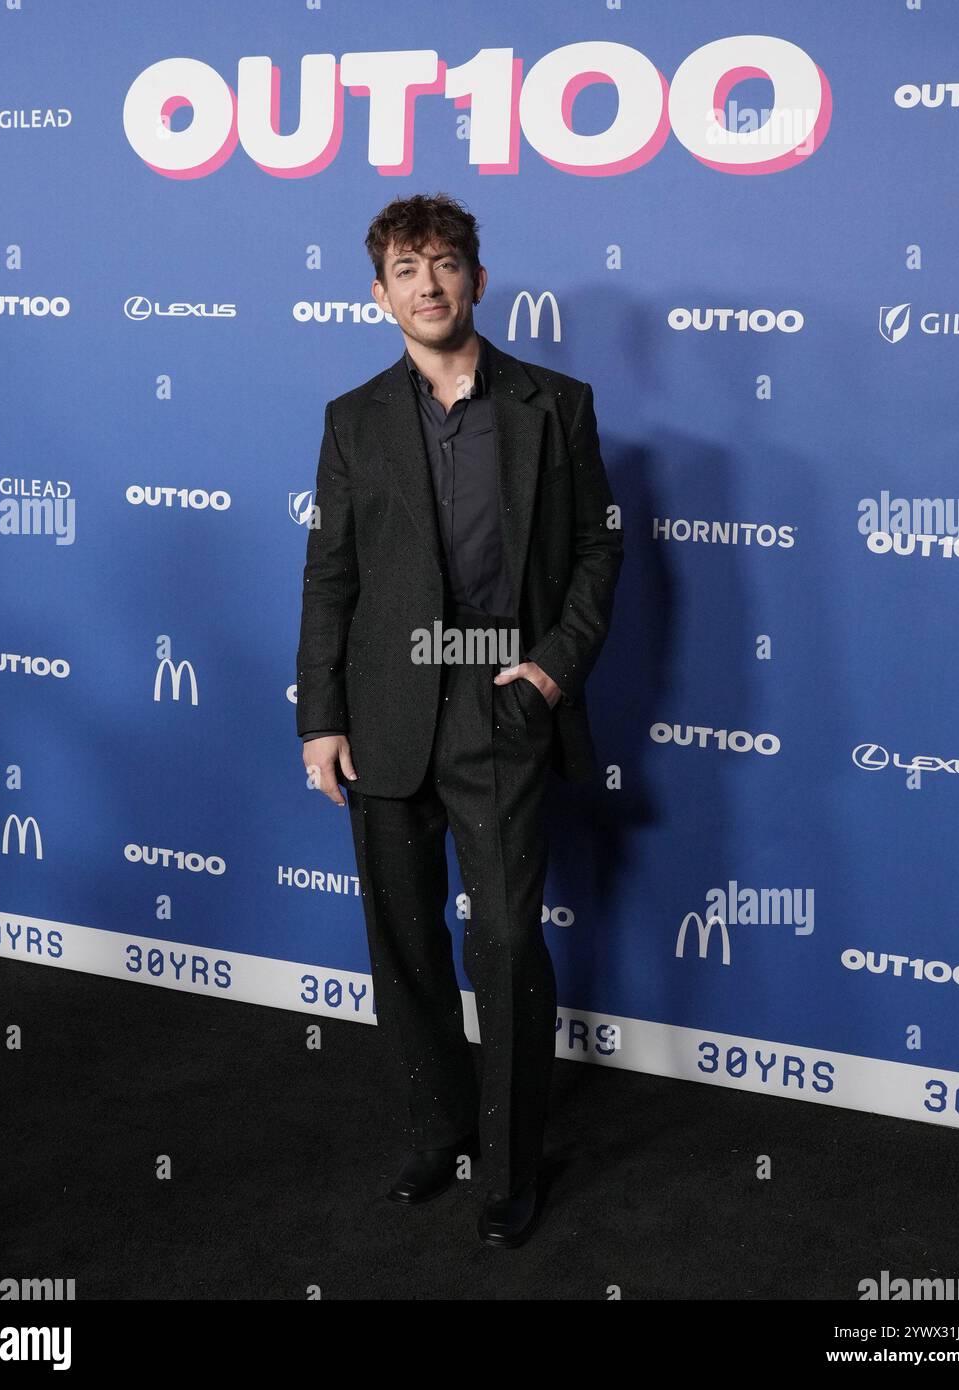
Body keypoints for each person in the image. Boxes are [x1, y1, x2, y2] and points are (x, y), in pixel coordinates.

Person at [295, 192, 622, 1247]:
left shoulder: (553, 403)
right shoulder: (352, 418)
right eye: (404, 267)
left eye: (444, 263)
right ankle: (437, 1136)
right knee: (404, 947)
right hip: (384, 714)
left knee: (505, 941)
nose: (426, 282)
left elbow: (593, 551)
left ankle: (511, 1164)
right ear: (377, 292)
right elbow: (329, 576)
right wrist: (320, 718)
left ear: (479, 280)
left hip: (498, 703)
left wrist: (549, 670)